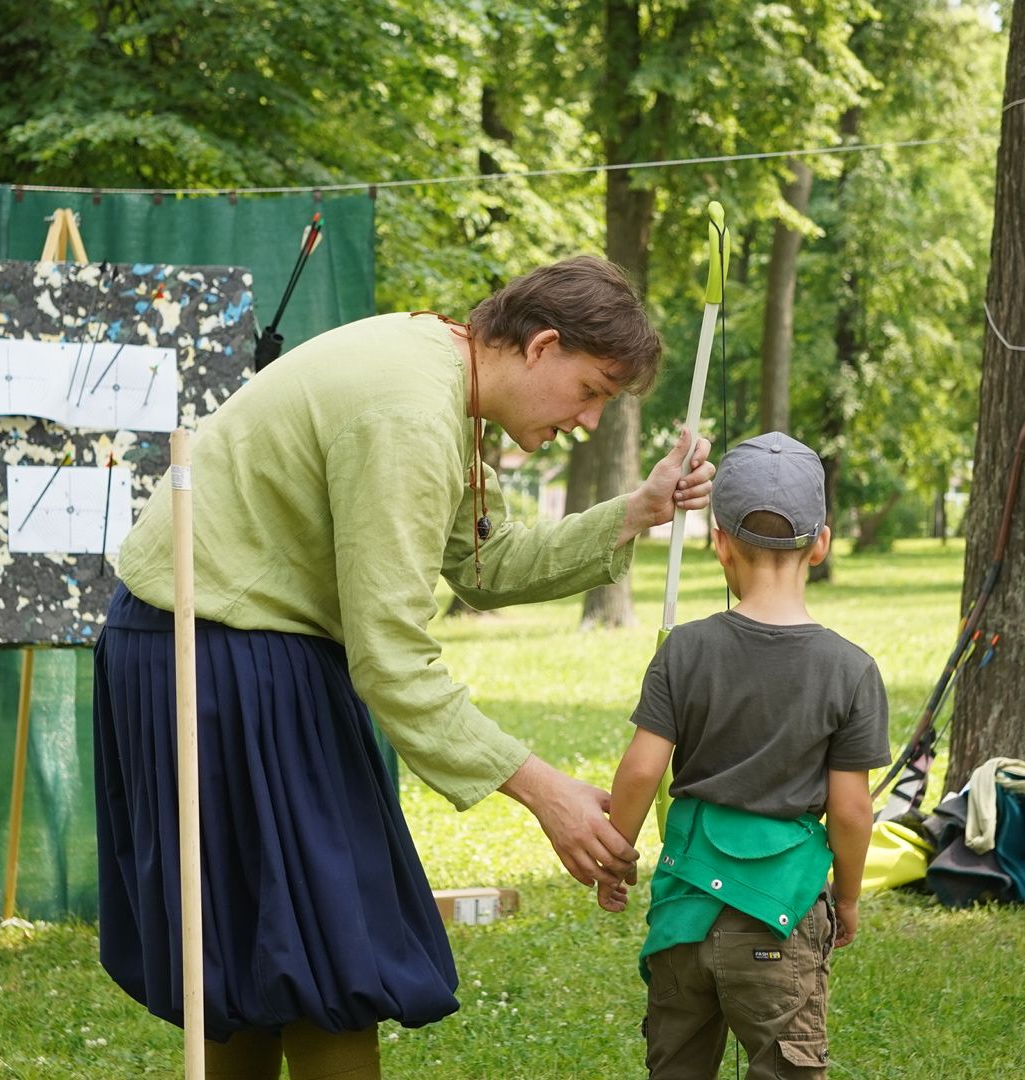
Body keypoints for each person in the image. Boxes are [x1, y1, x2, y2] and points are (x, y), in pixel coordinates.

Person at [91, 255, 716, 1079]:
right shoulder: (412, 414)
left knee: (272, 955)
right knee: (319, 955)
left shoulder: (434, 365)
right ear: (542, 346)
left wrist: (635, 512)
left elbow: (485, 563)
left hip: (233, 643)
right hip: (211, 656)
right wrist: (545, 792)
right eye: (593, 390)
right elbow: (390, 660)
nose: (590, 421)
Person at [597, 431, 889, 1079]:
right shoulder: (852, 669)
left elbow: (643, 769)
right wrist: (847, 898)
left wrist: (614, 857)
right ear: (822, 543)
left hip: (684, 916)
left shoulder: (684, 650)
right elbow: (850, 810)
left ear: (720, 542)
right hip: (781, 919)